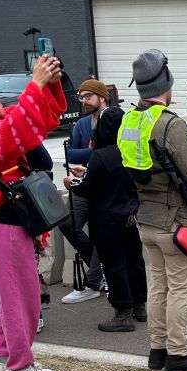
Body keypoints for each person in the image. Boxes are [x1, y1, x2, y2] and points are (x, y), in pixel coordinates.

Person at [120, 49, 187, 371]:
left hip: (146, 220)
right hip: (175, 222)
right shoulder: (169, 124)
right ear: (167, 83)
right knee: (179, 289)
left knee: (158, 285)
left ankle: (157, 349)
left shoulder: (130, 120)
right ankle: (178, 352)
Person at [0, 56, 64, 371]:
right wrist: (34, 84)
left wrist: (50, 83)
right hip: (1, 220)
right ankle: (22, 369)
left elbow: (34, 125)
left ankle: (3, 357)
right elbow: (11, 135)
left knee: (9, 293)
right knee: (19, 297)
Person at [64, 106, 147, 333]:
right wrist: (88, 173)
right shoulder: (132, 151)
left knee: (114, 265)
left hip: (106, 219)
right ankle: (140, 306)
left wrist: (72, 182)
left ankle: (122, 313)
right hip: (130, 216)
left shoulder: (100, 155)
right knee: (135, 261)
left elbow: (89, 189)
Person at [59, 79, 109, 304]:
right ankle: (99, 269)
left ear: (102, 97)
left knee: (102, 230)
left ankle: (93, 281)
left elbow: (113, 153)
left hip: (108, 187)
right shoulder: (81, 125)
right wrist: (93, 154)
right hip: (83, 182)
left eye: (88, 96)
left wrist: (91, 154)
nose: (83, 101)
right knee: (67, 223)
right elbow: (71, 155)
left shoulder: (115, 119)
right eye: (81, 97)